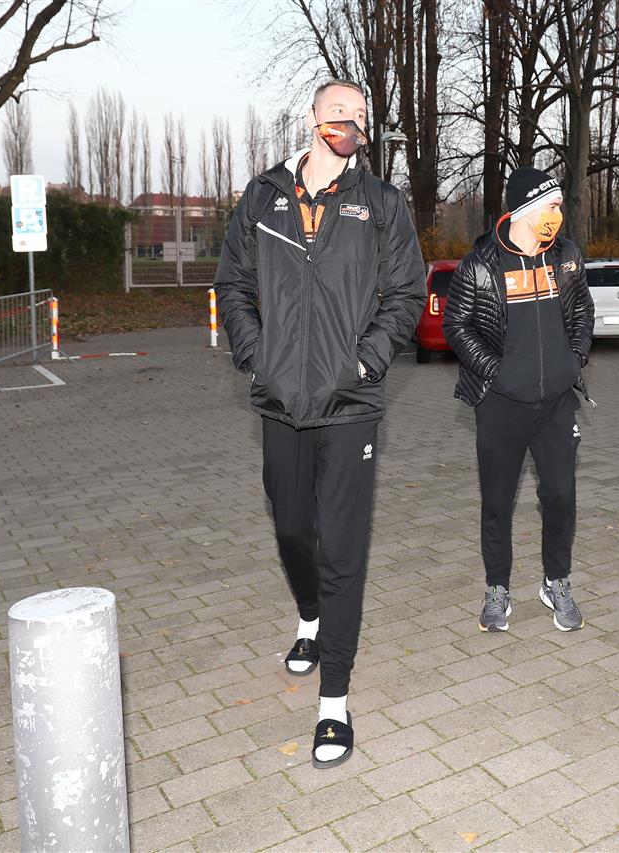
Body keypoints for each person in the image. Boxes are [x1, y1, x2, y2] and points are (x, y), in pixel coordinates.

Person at [214, 79, 425, 768]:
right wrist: (257, 354)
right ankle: (309, 614)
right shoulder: (263, 195)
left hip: (349, 403)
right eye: (338, 112)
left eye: (359, 116)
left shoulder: (381, 202)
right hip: (281, 398)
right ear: (312, 118)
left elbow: (407, 291)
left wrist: (366, 361)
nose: (349, 123)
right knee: (289, 527)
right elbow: (233, 284)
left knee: (342, 546)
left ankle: (334, 698)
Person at [443, 167, 595, 634]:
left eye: (559, 206)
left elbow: (583, 309)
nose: (558, 215)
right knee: (497, 502)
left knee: (561, 496)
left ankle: (556, 581)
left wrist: (574, 359)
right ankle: (497, 589)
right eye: (551, 206)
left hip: (556, 404)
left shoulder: (566, 256)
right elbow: (456, 326)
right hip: (500, 404)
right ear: (524, 210)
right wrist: (496, 371)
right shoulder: (481, 263)